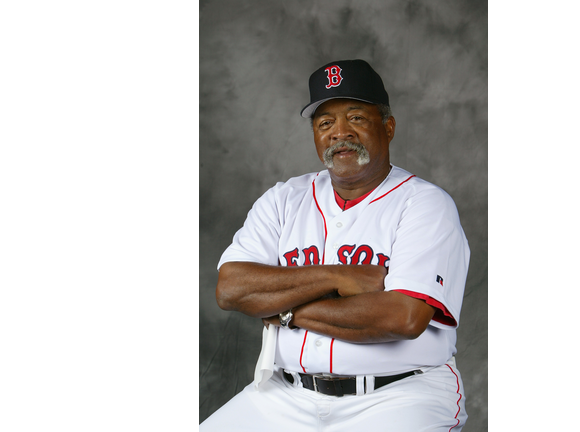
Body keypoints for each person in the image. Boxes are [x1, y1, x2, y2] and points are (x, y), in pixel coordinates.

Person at [200, 59, 471, 431]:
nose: (339, 132)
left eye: (356, 117)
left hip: (399, 395)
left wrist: (285, 312)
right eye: (325, 123)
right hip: (285, 395)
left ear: (388, 127)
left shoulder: (424, 204)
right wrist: (338, 276)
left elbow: (403, 317)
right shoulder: (284, 199)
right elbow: (231, 288)